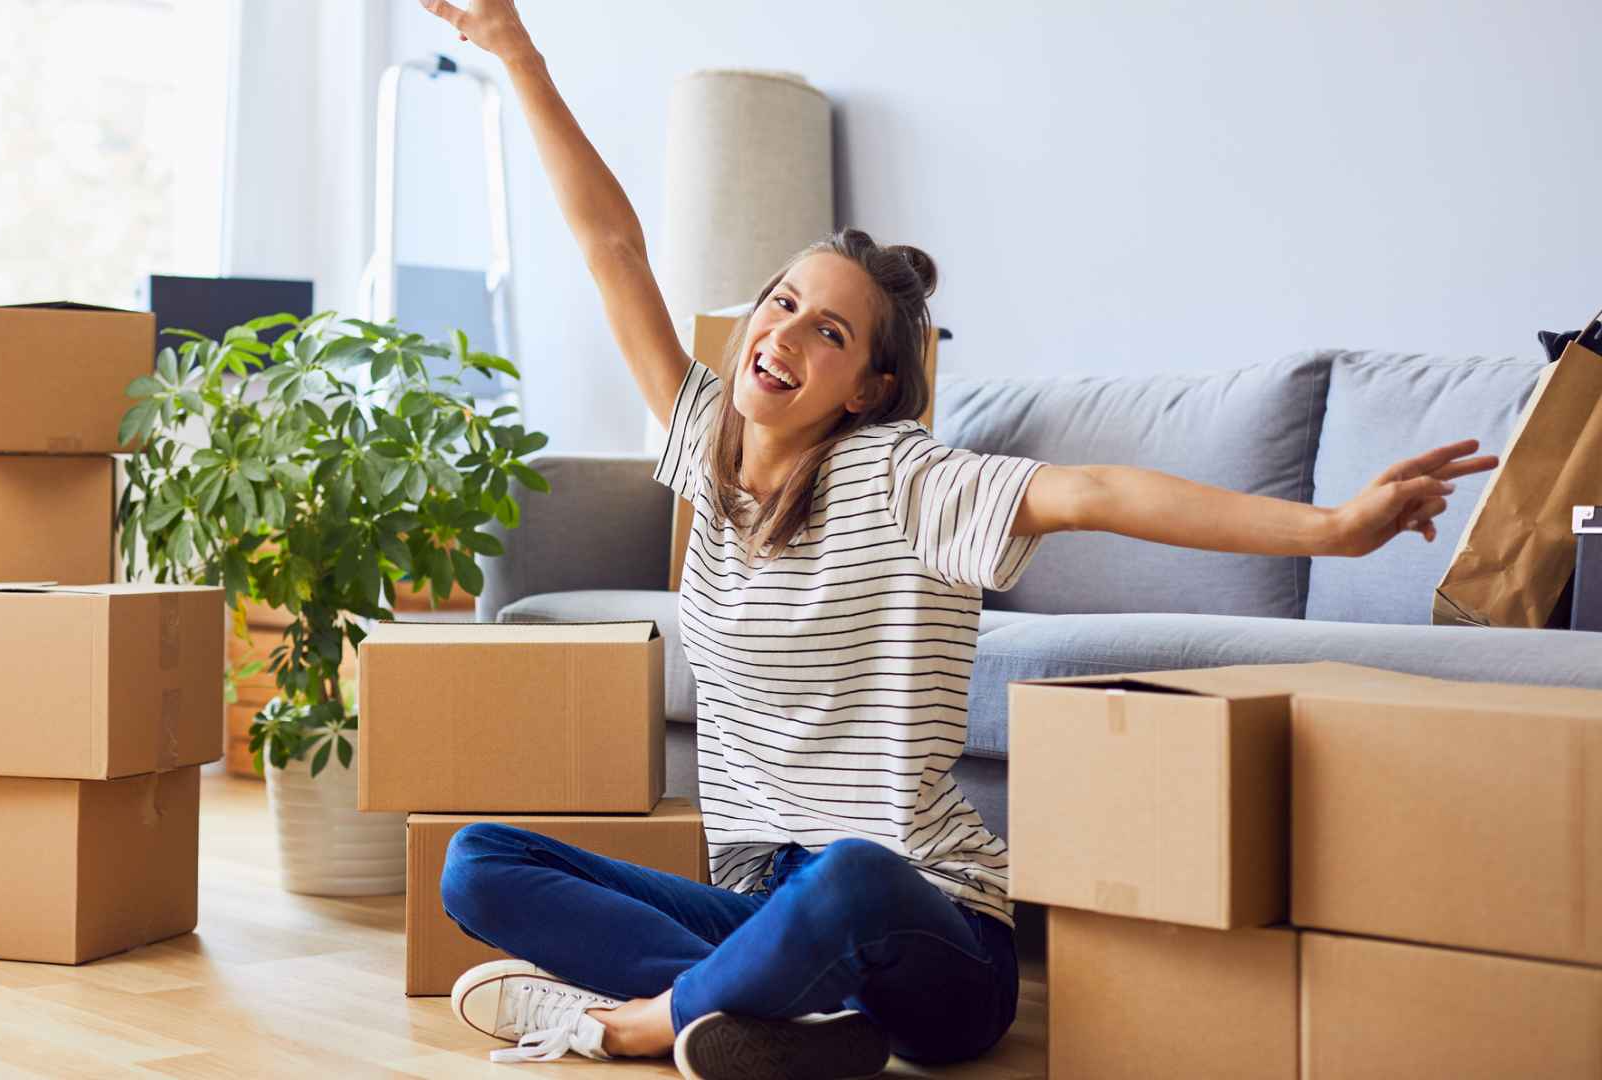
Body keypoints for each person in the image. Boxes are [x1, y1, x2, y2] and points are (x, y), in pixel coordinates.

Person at [417, 2, 1496, 1078]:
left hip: (930, 934)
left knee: (847, 877)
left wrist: (1333, 528)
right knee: (478, 864)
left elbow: (1097, 490)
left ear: (871, 385)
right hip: (762, 907)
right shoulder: (706, 443)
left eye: (827, 333)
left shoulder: (902, 477)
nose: (783, 336)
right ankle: (781, 1016)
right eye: (781, 304)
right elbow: (612, 248)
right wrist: (518, 53)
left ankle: (639, 1022)